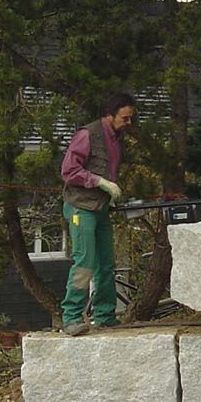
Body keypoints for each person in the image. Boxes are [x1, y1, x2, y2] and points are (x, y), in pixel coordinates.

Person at [58, 92, 137, 335]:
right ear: (109, 115)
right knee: (85, 262)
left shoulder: (117, 137)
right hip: (80, 208)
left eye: (131, 118)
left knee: (106, 264)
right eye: (124, 118)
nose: (128, 123)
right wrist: (99, 182)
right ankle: (71, 316)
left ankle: (104, 315)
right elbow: (69, 170)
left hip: (101, 208)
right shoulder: (87, 135)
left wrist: (110, 191)